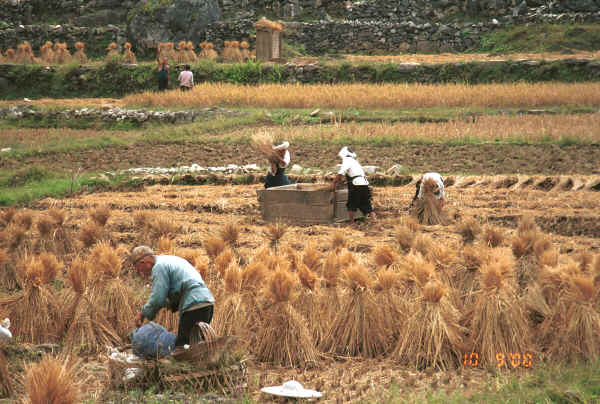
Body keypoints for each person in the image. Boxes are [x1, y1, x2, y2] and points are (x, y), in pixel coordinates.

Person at [131, 245, 214, 347]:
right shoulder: (169, 260)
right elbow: (173, 294)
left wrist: (143, 313)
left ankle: (183, 362)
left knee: (182, 347)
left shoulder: (159, 267)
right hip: (207, 303)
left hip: (193, 305)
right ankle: (205, 362)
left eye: (139, 269)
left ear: (143, 262)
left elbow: (158, 298)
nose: (141, 273)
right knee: (196, 344)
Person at [330, 146, 376, 223]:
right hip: (364, 183)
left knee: (351, 204)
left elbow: (341, 172)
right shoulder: (355, 162)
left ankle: (352, 223)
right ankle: (374, 220)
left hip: (356, 184)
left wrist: (334, 182)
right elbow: (352, 173)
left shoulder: (347, 160)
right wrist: (344, 180)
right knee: (365, 203)